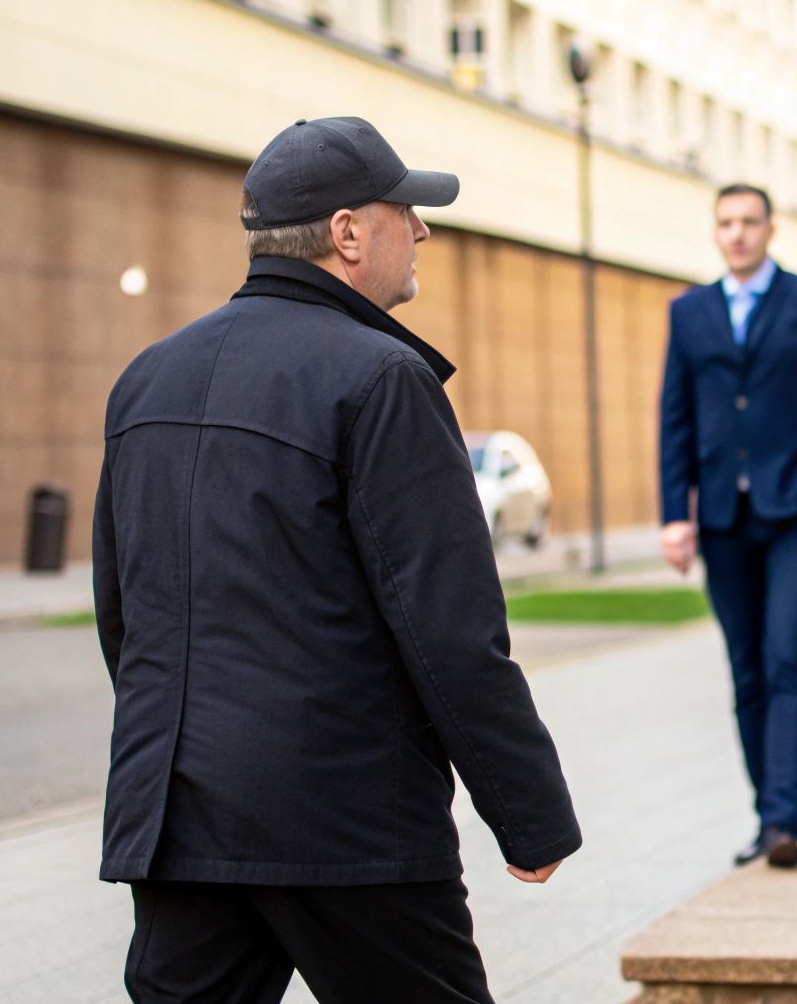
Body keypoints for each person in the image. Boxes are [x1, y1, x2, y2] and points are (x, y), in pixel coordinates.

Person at [92, 116, 581, 1004]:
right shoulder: (381, 378)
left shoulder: (146, 379)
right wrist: (528, 813)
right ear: (349, 232)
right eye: (405, 210)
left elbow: (125, 618)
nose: (422, 229)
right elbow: (449, 627)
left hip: (176, 812)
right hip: (345, 820)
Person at [656, 183, 797, 868]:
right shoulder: (690, 313)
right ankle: (768, 818)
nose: (737, 234)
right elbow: (676, 418)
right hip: (723, 514)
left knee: (786, 655)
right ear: (714, 232)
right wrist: (675, 515)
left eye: (749, 222)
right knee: (746, 671)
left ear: (771, 229)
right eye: (725, 223)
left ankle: (785, 821)